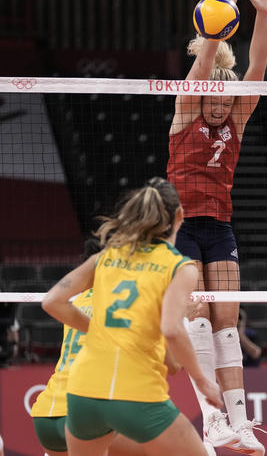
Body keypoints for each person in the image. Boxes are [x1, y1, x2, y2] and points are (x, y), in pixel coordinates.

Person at [167, 0, 267, 453]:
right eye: (214, 96)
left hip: (220, 228)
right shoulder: (188, 109)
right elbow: (199, 75)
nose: (219, 103)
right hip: (182, 226)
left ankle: (240, 422)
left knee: (226, 324)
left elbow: (256, 71)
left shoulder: (238, 115)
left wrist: (264, 13)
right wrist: (215, 26)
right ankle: (213, 421)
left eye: (225, 98)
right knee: (197, 316)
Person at [41, 177, 222, 456]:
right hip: (136, 394)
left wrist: (99, 329)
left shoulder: (107, 256)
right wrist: (202, 380)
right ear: (179, 216)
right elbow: (172, 331)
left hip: (82, 394)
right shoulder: (179, 267)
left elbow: (53, 302)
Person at [31, 238, 182, 456]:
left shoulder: (77, 299)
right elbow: (174, 365)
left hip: (46, 415)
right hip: (86, 416)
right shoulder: (132, 306)